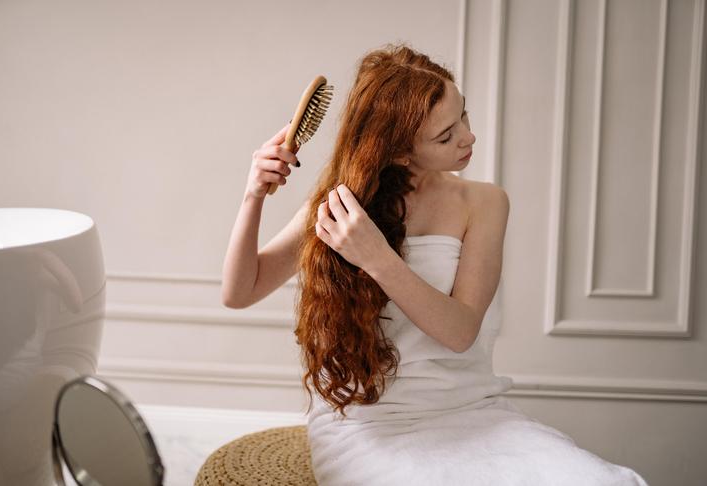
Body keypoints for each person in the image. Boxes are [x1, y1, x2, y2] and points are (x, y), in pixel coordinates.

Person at [221, 43, 649, 485]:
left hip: (471, 410)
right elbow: (239, 292)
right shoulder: (341, 209)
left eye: (463, 115)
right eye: (445, 136)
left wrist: (377, 257)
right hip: (369, 426)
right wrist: (253, 194)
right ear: (400, 153)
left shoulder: (484, 203)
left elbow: (461, 331)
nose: (468, 136)